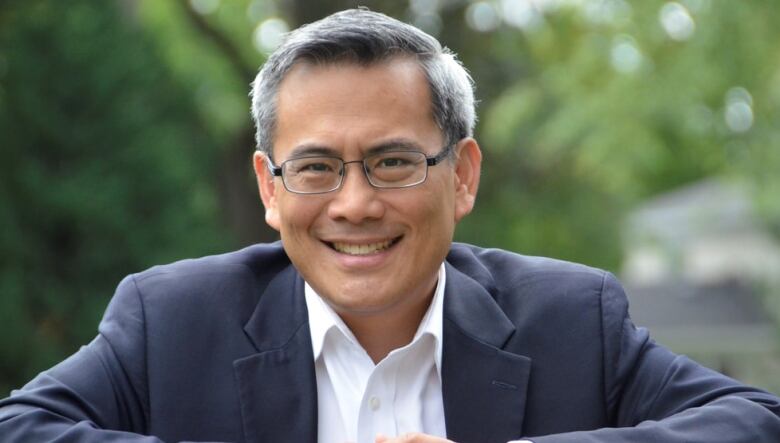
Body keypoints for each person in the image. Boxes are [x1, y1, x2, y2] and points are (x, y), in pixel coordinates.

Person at [1, 8, 779, 443]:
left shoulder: (574, 319)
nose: (354, 204)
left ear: (463, 174)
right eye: (315, 168)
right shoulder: (169, 320)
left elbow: (754, 421)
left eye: (394, 162)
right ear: (269, 189)